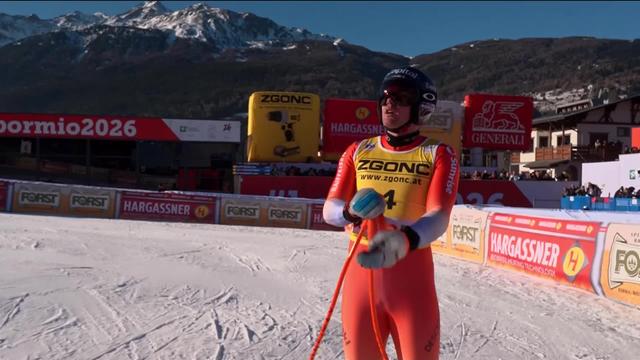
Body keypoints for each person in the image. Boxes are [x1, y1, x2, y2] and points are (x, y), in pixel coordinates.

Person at [323, 66, 459, 360]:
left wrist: (406, 239)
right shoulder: (357, 150)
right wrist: (349, 213)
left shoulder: (438, 153)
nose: (389, 103)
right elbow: (329, 210)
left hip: (411, 282)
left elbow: (439, 216)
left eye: (400, 97)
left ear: (422, 107)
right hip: (361, 279)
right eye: (385, 97)